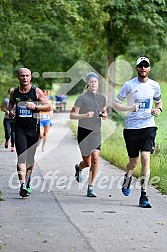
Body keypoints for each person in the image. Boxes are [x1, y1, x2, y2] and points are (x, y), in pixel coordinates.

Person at [112, 57, 163, 208]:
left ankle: (144, 194)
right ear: (136, 68)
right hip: (131, 128)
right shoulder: (129, 85)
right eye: (140, 66)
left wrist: (158, 109)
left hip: (148, 126)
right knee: (133, 162)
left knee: (145, 157)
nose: (143, 68)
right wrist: (129, 108)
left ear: (149, 68)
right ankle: (127, 177)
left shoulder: (154, 85)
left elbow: (158, 101)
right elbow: (115, 103)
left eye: (145, 66)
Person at [9, 68, 52, 197]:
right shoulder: (14, 92)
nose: (24, 78)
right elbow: (11, 104)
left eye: (27, 76)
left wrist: (36, 107)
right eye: (22, 76)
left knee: (30, 159)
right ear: (18, 76)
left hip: (33, 130)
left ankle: (27, 180)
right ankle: (22, 185)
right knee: (21, 156)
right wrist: (11, 111)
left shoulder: (36, 92)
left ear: (31, 77)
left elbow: (49, 106)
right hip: (19, 129)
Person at [70, 72, 107, 197]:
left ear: (98, 83)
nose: (93, 84)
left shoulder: (102, 98)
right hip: (84, 131)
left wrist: (105, 115)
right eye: (91, 82)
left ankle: (90, 187)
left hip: (96, 132)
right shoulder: (82, 98)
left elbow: (104, 112)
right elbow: (72, 115)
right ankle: (79, 168)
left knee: (95, 157)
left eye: (95, 82)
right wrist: (85, 115)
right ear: (87, 83)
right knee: (87, 162)